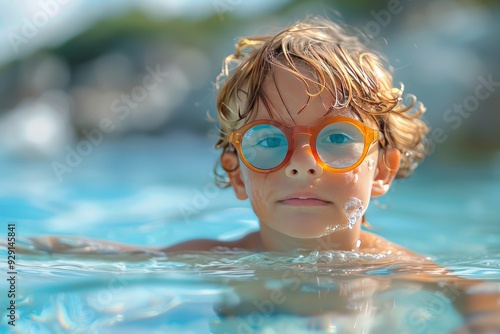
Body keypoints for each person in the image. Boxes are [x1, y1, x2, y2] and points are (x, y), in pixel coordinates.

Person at [165, 16, 428, 255]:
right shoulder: (210, 259)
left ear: (382, 171)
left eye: (337, 138)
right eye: (269, 140)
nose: (302, 164)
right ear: (238, 176)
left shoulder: (400, 269)